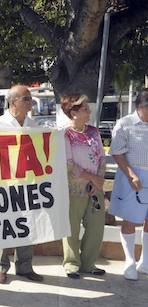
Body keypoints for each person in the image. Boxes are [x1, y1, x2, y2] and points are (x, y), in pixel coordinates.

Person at [0, 85, 44, 284]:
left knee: (27, 226)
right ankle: (0, 267)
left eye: (30, 99)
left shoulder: (34, 125)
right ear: (13, 102)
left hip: (28, 184)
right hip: (4, 184)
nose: (31, 102)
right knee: (4, 226)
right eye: (27, 98)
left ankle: (25, 267)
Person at [60, 94, 106, 278]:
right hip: (74, 188)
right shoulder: (64, 134)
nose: (89, 111)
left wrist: (99, 180)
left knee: (96, 227)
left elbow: (101, 157)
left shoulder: (94, 131)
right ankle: (71, 264)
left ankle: (89, 263)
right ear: (73, 112)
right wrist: (93, 178)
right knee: (71, 228)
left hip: (95, 188)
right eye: (85, 109)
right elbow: (69, 164)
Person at [108, 88, 148, 281]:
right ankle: (129, 262)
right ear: (141, 107)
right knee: (130, 219)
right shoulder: (125, 124)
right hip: (132, 175)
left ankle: (145, 261)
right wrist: (131, 173)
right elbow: (116, 151)